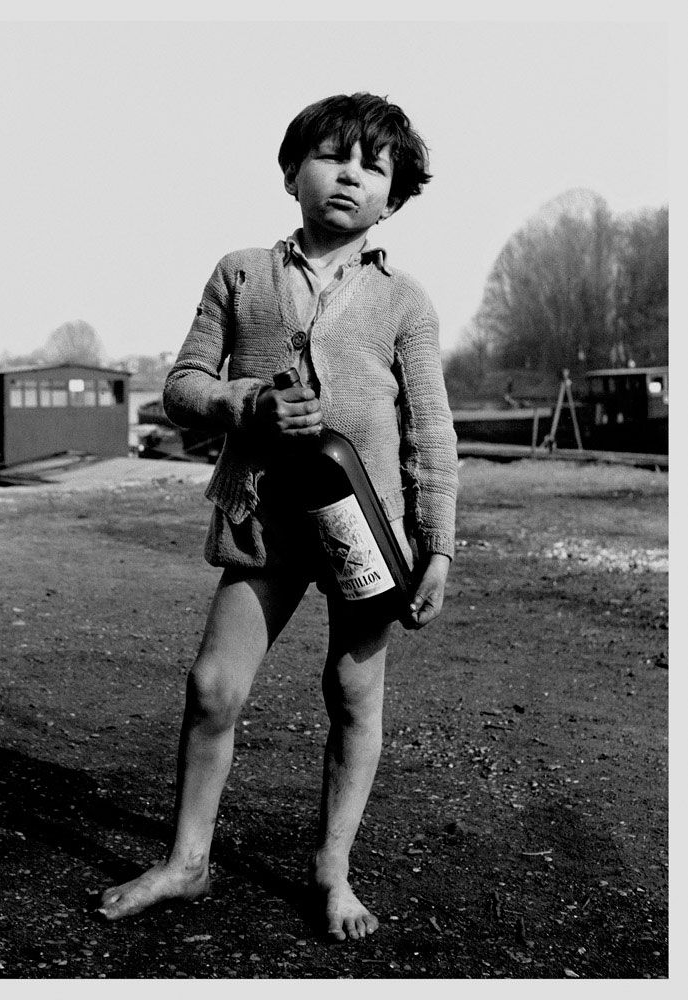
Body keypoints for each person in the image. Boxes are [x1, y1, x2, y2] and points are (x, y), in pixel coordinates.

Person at [99, 92, 458, 940]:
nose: (350, 177)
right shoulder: (239, 274)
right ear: (292, 171)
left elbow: (430, 431)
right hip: (263, 517)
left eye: (373, 168)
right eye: (331, 156)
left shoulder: (404, 302)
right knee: (212, 687)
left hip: (366, 531)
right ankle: (187, 862)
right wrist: (245, 402)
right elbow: (180, 388)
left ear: (394, 198)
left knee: (351, 692)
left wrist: (437, 546)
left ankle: (332, 873)